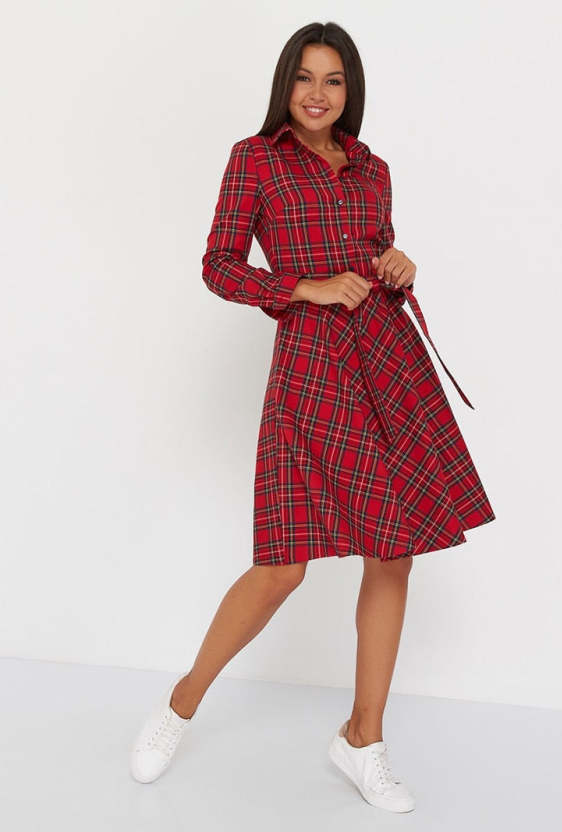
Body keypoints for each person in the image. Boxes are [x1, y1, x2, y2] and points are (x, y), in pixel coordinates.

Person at [129, 21, 495, 814]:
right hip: (311, 371)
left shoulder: (373, 167)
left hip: (388, 363)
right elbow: (219, 264)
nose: (318, 94)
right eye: (304, 77)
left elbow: (375, 251)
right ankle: (181, 704)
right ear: (285, 84)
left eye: (333, 80)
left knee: (393, 554)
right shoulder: (255, 159)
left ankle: (364, 738)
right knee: (282, 565)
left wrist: (396, 263)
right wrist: (301, 287)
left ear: (349, 89)